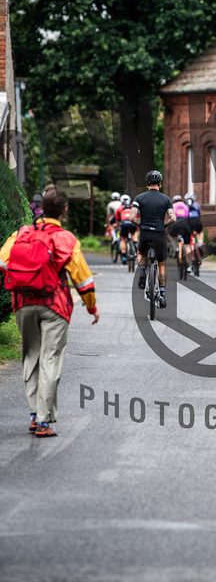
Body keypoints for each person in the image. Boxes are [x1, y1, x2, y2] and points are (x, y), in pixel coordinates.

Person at [0, 185, 100, 437]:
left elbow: (2, 261)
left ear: (41, 208)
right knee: (50, 359)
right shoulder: (66, 239)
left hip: (23, 303)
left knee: (31, 356)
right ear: (64, 210)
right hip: (54, 305)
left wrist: (25, 276)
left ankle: (34, 415)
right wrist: (91, 308)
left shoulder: (21, 233)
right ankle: (44, 422)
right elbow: (83, 281)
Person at [129, 171, 176, 308]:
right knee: (161, 264)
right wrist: (164, 225)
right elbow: (173, 218)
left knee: (140, 253)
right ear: (160, 184)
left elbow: (132, 217)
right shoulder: (166, 199)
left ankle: (142, 271)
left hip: (145, 233)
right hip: (159, 234)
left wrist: (140, 224)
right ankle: (162, 295)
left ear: (147, 184)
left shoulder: (139, 198)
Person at [168, 195, 192, 264]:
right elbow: (188, 217)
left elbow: (170, 218)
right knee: (187, 245)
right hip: (185, 223)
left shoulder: (172, 206)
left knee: (170, 236)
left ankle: (176, 249)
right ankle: (189, 263)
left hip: (176, 224)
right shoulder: (186, 206)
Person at [115, 194, 138, 264]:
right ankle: (136, 245)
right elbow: (138, 216)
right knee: (134, 234)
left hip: (124, 223)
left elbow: (117, 220)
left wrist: (118, 228)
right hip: (132, 223)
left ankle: (124, 257)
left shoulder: (119, 208)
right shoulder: (133, 207)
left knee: (122, 239)